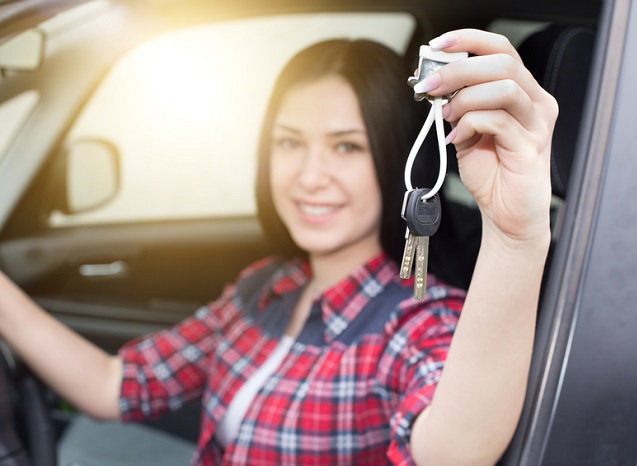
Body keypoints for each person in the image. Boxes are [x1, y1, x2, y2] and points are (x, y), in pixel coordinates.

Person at [0, 28, 557, 466]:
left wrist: (515, 238)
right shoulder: (265, 284)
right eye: (289, 142)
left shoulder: (419, 320)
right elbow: (114, 386)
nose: (309, 176)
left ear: (395, 160)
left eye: (345, 147)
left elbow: (451, 453)